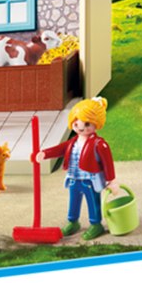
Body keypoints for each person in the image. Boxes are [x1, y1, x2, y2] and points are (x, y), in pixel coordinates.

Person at [36, 96, 120, 240]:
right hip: (74, 179)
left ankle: (96, 224)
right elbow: (60, 149)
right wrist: (45, 153)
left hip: (90, 180)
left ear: (96, 123)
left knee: (93, 202)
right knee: (73, 201)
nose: (81, 127)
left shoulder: (99, 144)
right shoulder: (73, 142)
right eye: (76, 123)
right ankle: (73, 222)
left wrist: (111, 180)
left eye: (87, 124)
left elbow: (108, 163)